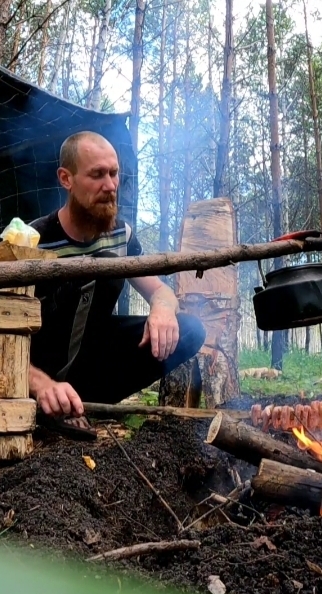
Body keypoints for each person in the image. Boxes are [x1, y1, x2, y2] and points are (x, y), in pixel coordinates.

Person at [27, 131, 205, 439]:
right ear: (66, 179)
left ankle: (84, 404)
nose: (110, 186)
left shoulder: (121, 235)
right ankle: (49, 401)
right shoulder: (33, 239)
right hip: (37, 364)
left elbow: (160, 290)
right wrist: (39, 383)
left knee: (189, 329)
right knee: (87, 274)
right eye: (97, 175)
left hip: (90, 355)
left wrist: (162, 310)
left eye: (114, 173)